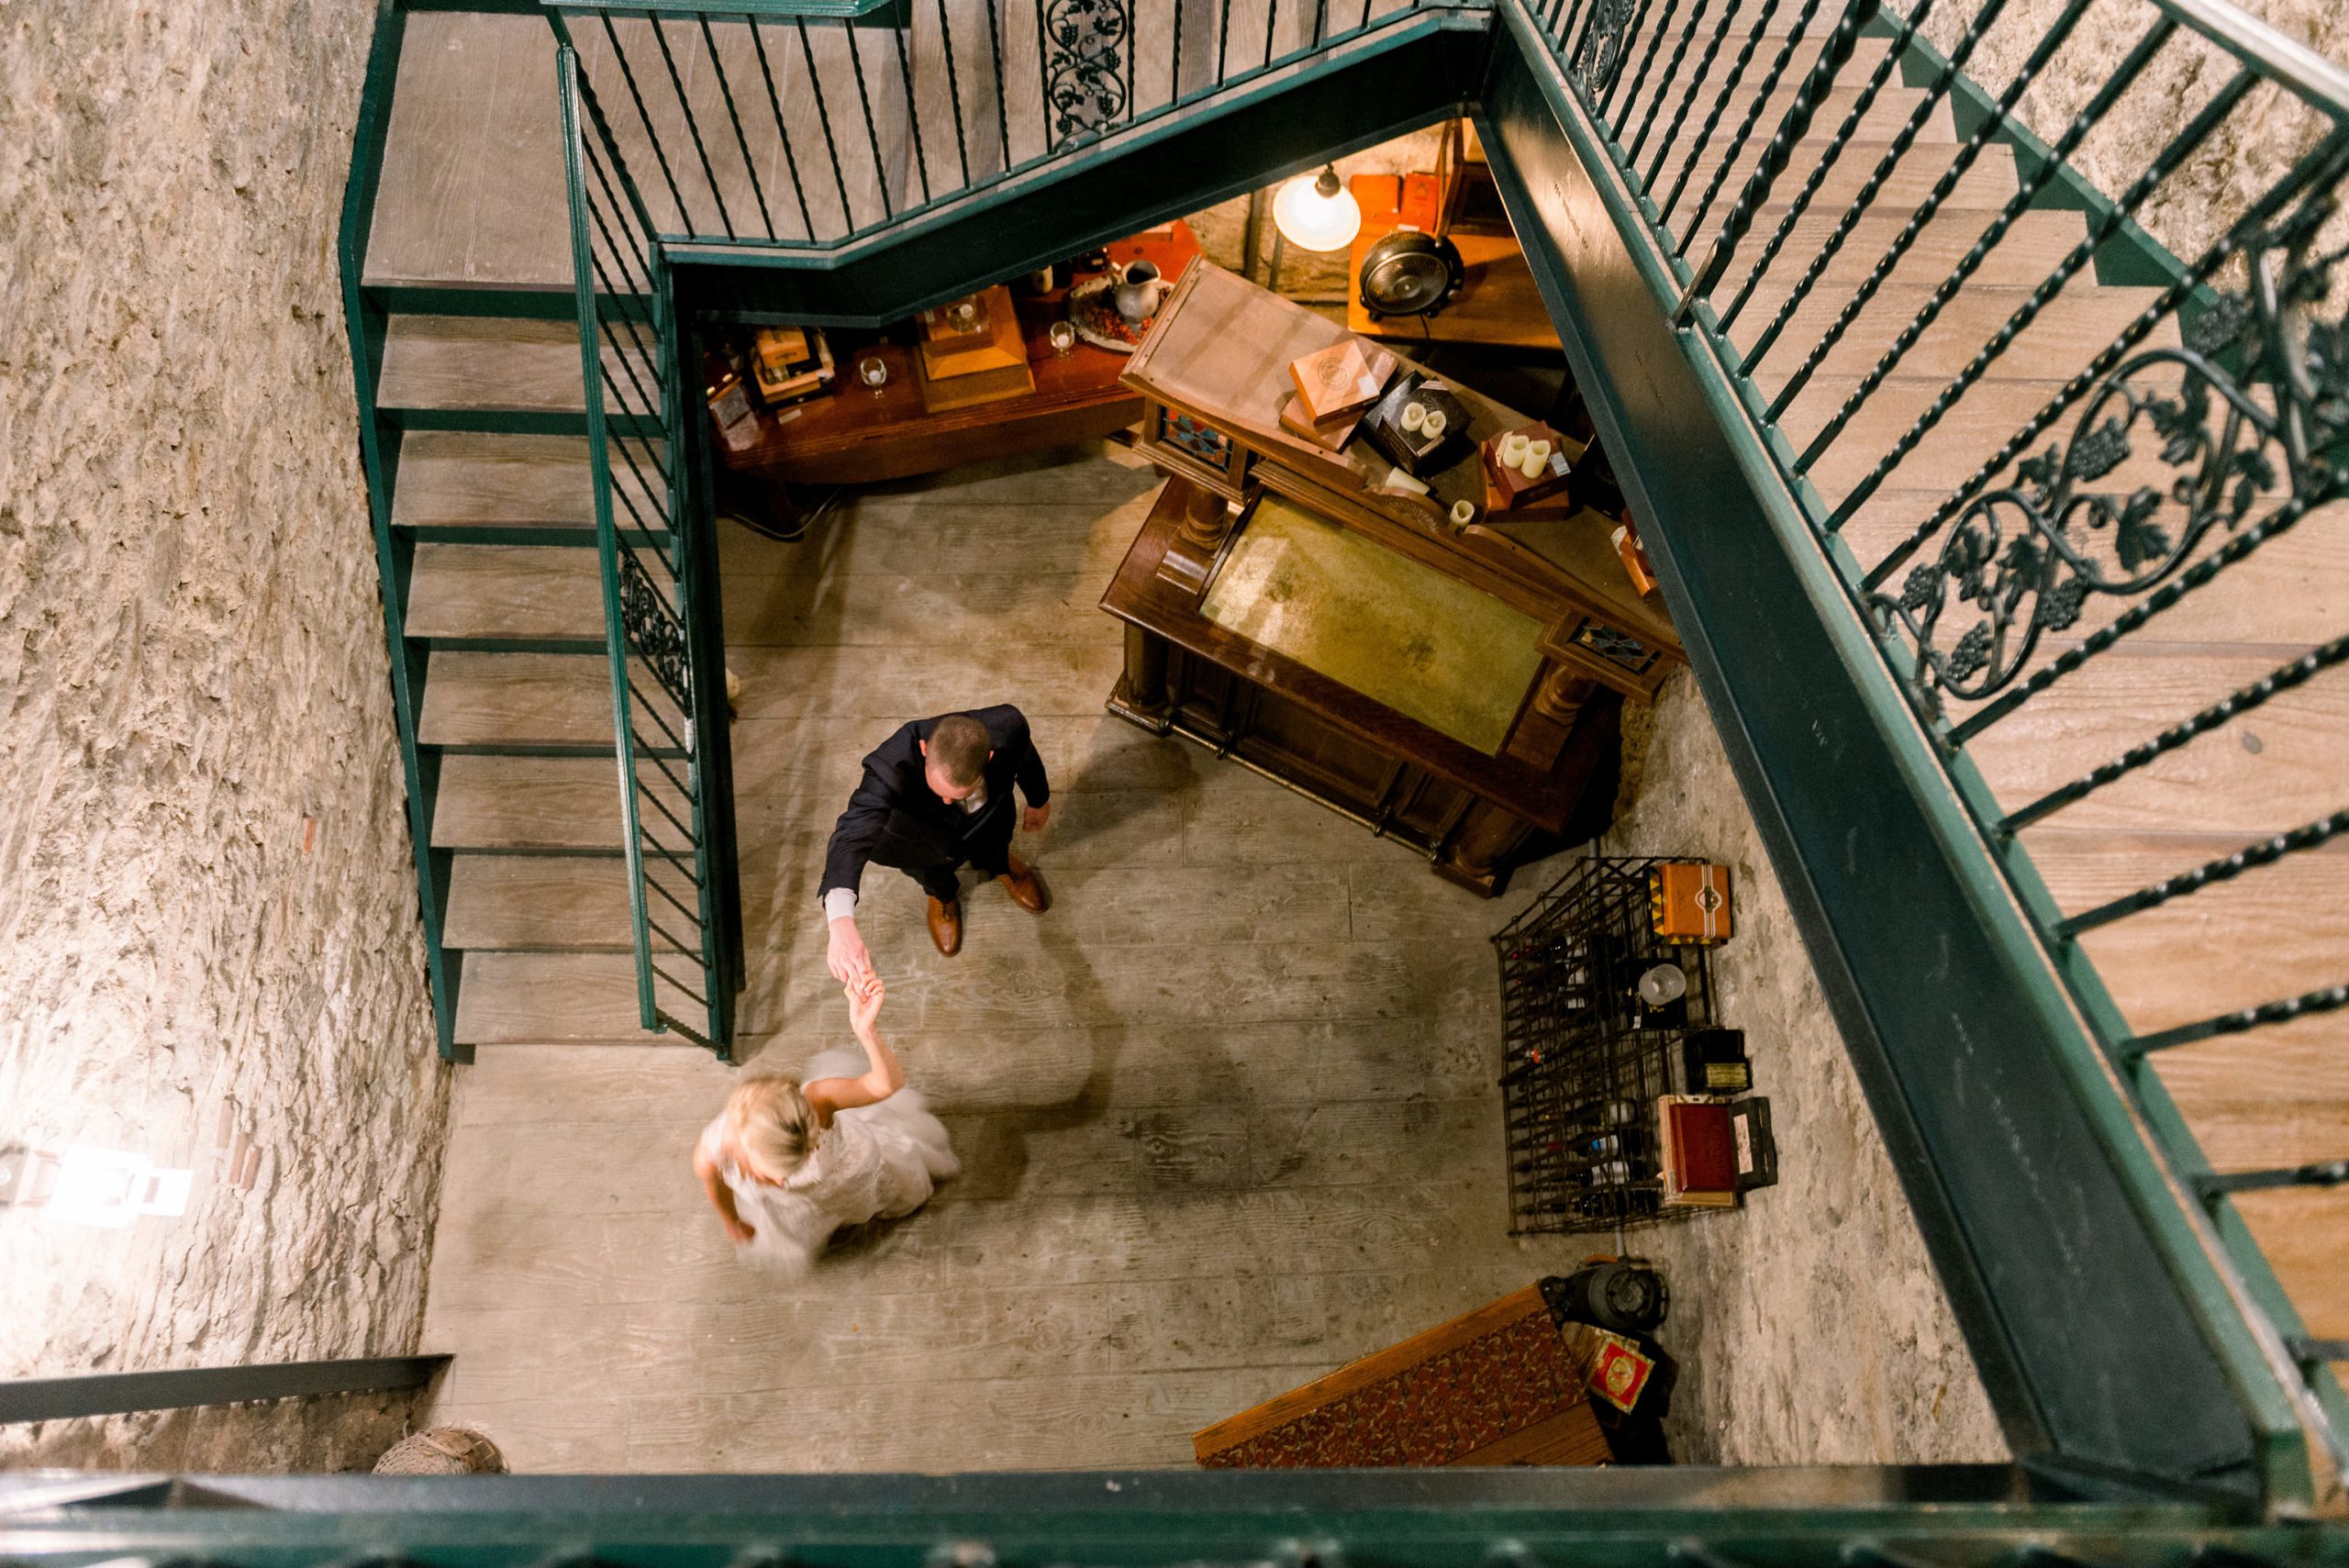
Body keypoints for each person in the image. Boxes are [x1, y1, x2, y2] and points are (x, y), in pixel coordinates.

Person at [692, 977, 958, 1273]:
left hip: (849, 1171)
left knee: (884, 1189)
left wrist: (866, 1031)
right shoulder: (710, 1157)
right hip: (811, 1199)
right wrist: (733, 1220)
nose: (782, 1183)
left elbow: (887, 1084)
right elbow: (717, 1189)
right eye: (779, 1174)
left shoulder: (818, 1100)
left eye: (788, 1171)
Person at [820, 706, 1051, 975]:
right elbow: (851, 834)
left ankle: (1000, 866)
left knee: (995, 842)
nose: (947, 802)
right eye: (941, 792)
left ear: (988, 757)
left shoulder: (1008, 727)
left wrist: (1039, 800)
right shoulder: (889, 765)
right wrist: (840, 921)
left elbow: (1025, 756)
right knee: (931, 870)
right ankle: (942, 897)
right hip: (920, 840)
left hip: (988, 822)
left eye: (958, 794)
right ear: (924, 749)